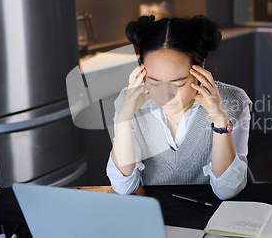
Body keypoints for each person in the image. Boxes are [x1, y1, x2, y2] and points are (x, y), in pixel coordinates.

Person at [106, 15, 252, 200]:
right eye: (154, 82)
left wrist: (220, 121)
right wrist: (124, 119)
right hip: (158, 215)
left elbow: (227, 191)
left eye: (179, 83)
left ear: (201, 67)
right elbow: (123, 186)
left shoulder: (233, 101)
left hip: (212, 214)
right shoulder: (129, 101)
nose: (166, 96)